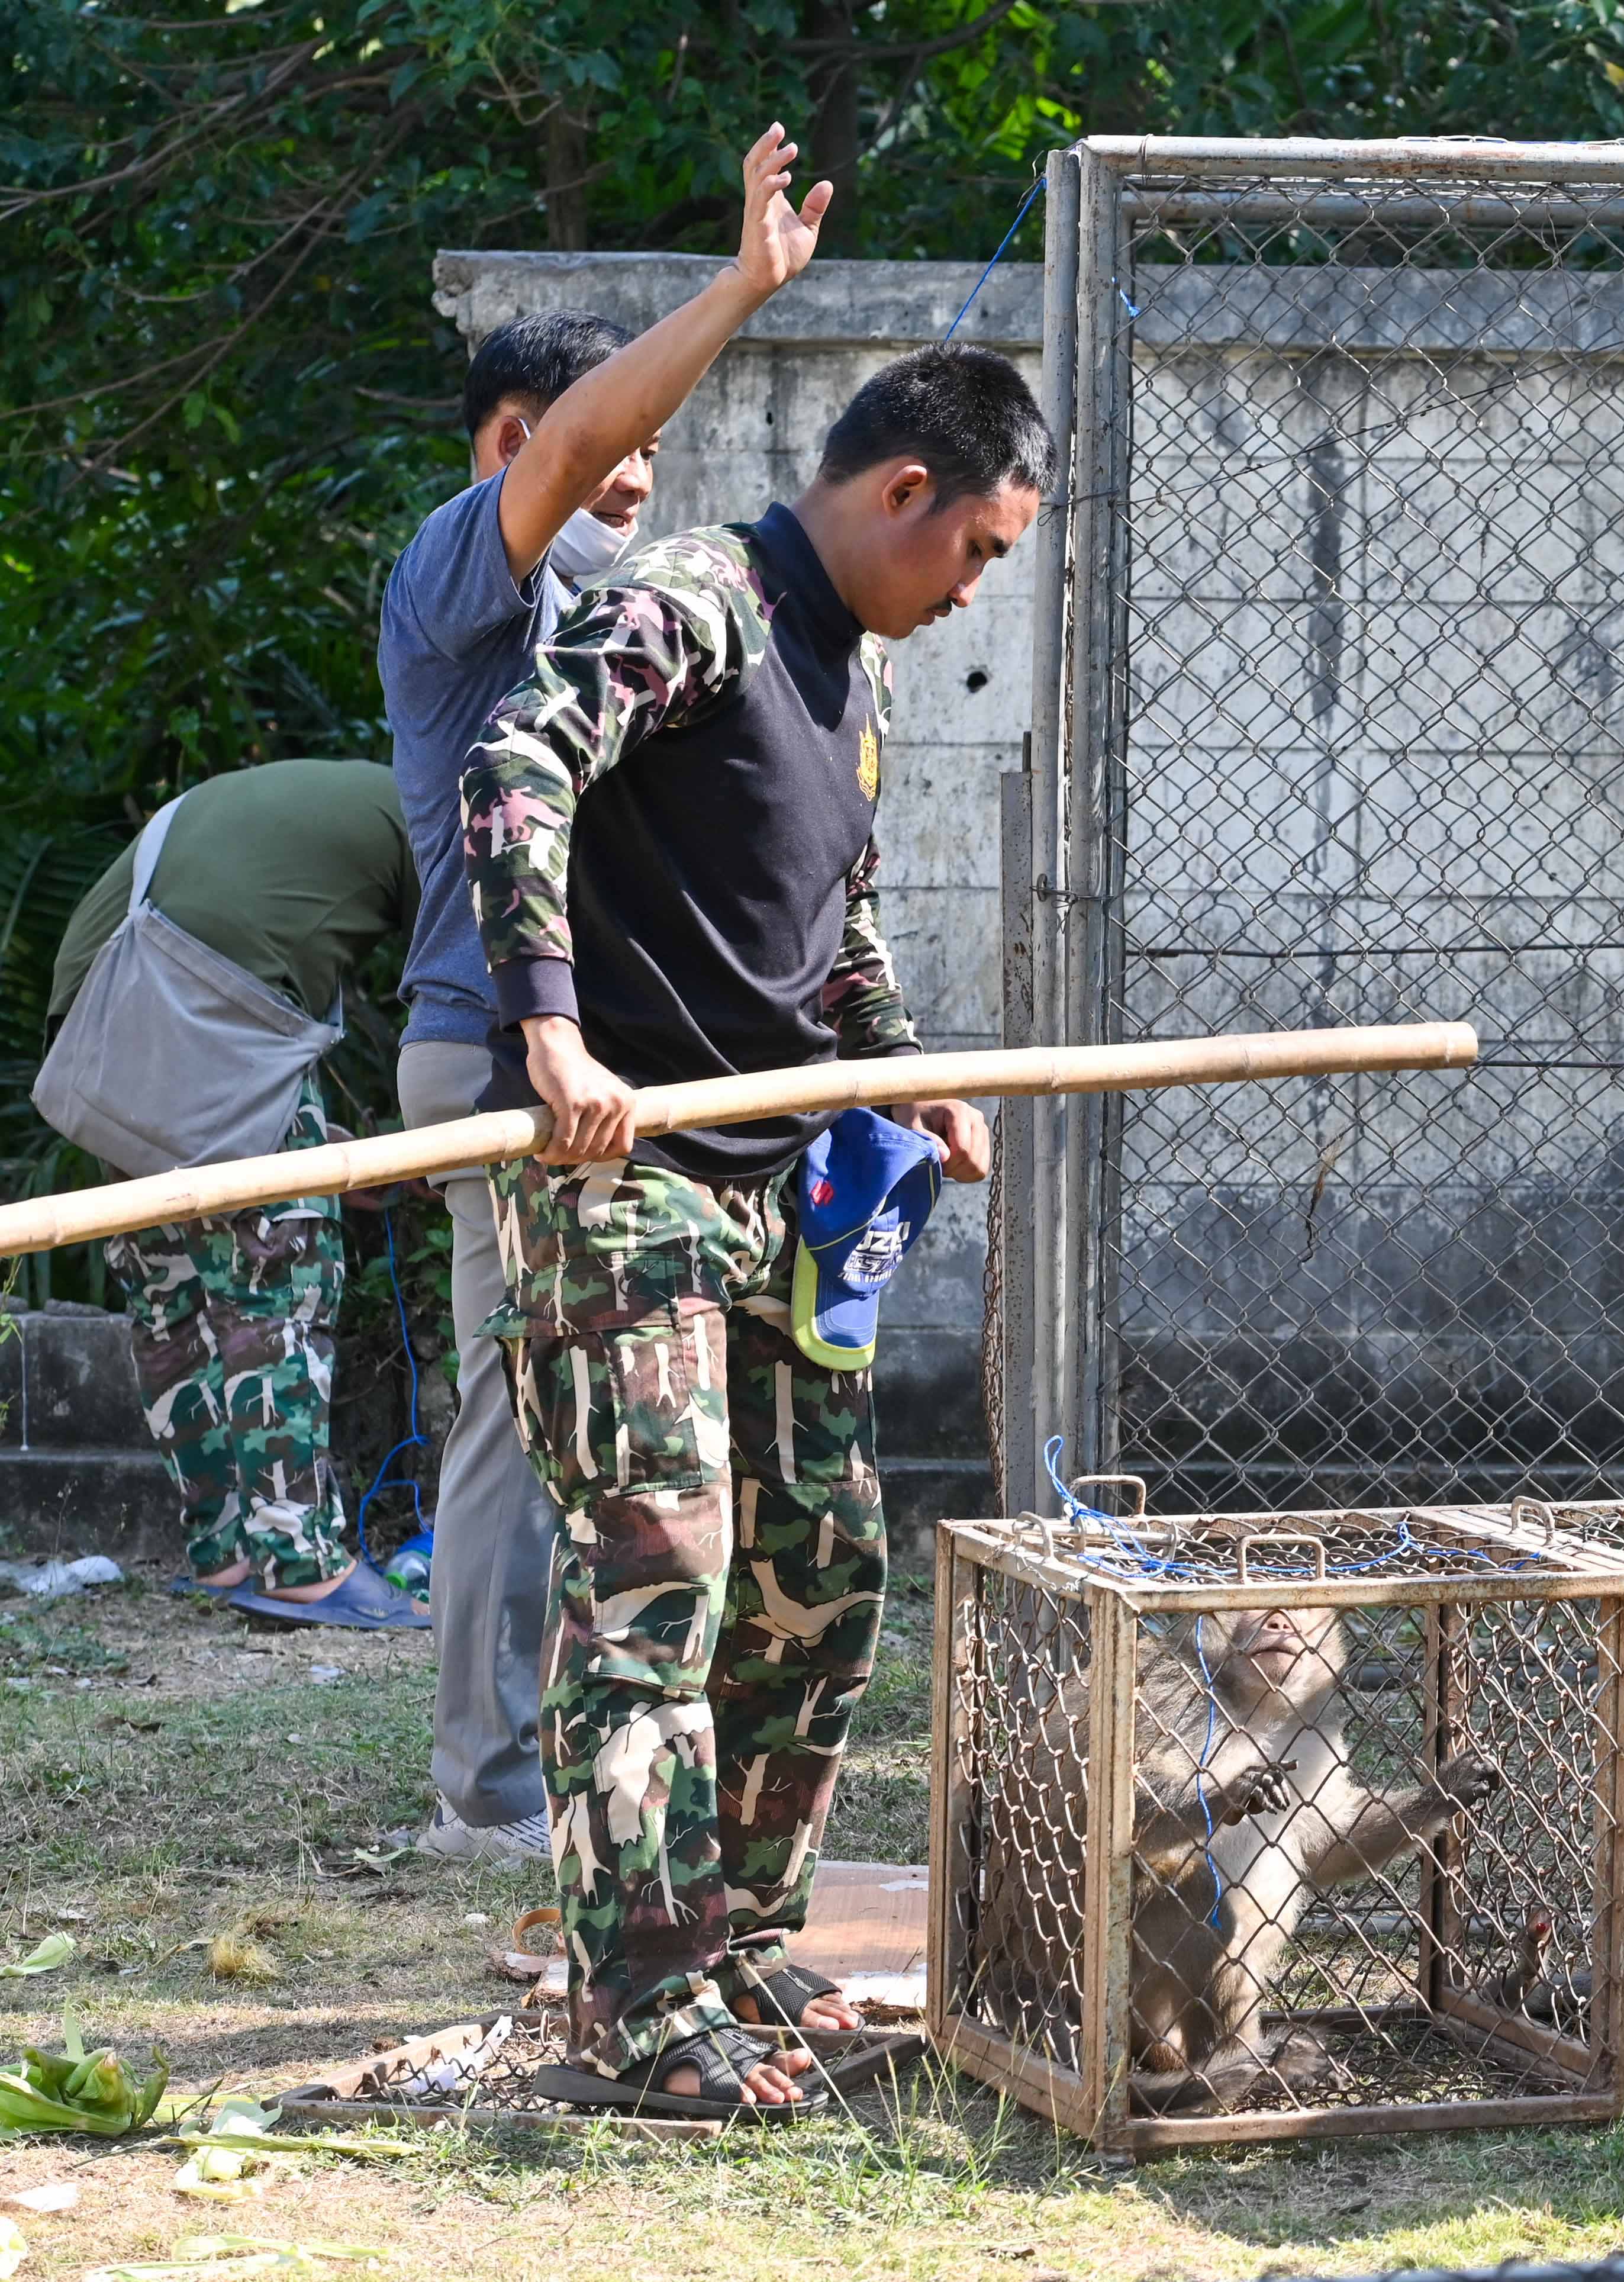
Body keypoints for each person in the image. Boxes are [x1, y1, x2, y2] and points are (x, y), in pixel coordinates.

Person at [463, 343, 1037, 2116]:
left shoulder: (849, 675)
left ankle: (736, 1945)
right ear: (901, 495)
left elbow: (830, 932)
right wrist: (551, 1024)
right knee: (662, 1582)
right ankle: (642, 2008)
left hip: (782, 1187)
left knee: (820, 1577)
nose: (973, 594)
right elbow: (519, 761)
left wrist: (910, 1077)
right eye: (977, 555)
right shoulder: (695, 605)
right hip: (621, 1173)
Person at [381, 123, 832, 1865]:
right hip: (501, 1058)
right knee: (517, 1428)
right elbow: (577, 443)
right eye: (616, 453)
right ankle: (487, 1794)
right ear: (521, 448)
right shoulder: (459, 574)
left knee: (612, 1418)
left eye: (651, 459)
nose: (638, 481)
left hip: (607, 1074)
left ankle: (593, 1768)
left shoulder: (615, 610)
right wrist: (742, 283)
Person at [42, 760, 421, 1627]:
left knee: (175, 1295)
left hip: (101, 1014)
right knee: (280, 1287)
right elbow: (461, 994)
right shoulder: (459, 817)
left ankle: (226, 1552)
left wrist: (316, 1150)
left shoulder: (344, 799)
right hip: (202, 995)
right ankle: (302, 1563)